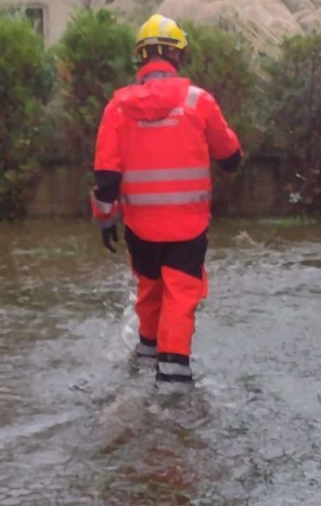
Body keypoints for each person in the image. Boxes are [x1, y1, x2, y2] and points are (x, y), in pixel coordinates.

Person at [91, 14, 243, 386]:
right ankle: (173, 377)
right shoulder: (198, 101)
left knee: (150, 287)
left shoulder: (117, 108)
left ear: (141, 60)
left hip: (141, 229)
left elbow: (106, 178)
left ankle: (146, 354)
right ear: (178, 57)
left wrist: (107, 221)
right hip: (188, 227)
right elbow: (231, 158)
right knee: (180, 294)